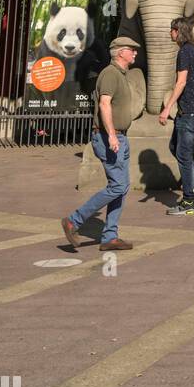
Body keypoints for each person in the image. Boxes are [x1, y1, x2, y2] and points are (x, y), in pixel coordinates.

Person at [61, 35, 140, 252]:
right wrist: (113, 135)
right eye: (131, 49)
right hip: (109, 138)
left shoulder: (121, 74)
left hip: (119, 137)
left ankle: (110, 236)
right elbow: (105, 105)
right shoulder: (110, 73)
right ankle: (74, 221)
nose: (135, 53)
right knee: (118, 186)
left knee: (121, 188)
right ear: (120, 52)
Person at [159, 17, 194, 216]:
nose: (170, 33)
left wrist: (167, 108)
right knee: (175, 147)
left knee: (183, 155)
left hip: (188, 114)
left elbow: (181, 82)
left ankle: (189, 200)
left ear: (177, 31)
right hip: (193, 113)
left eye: (171, 30)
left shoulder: (184, 52)